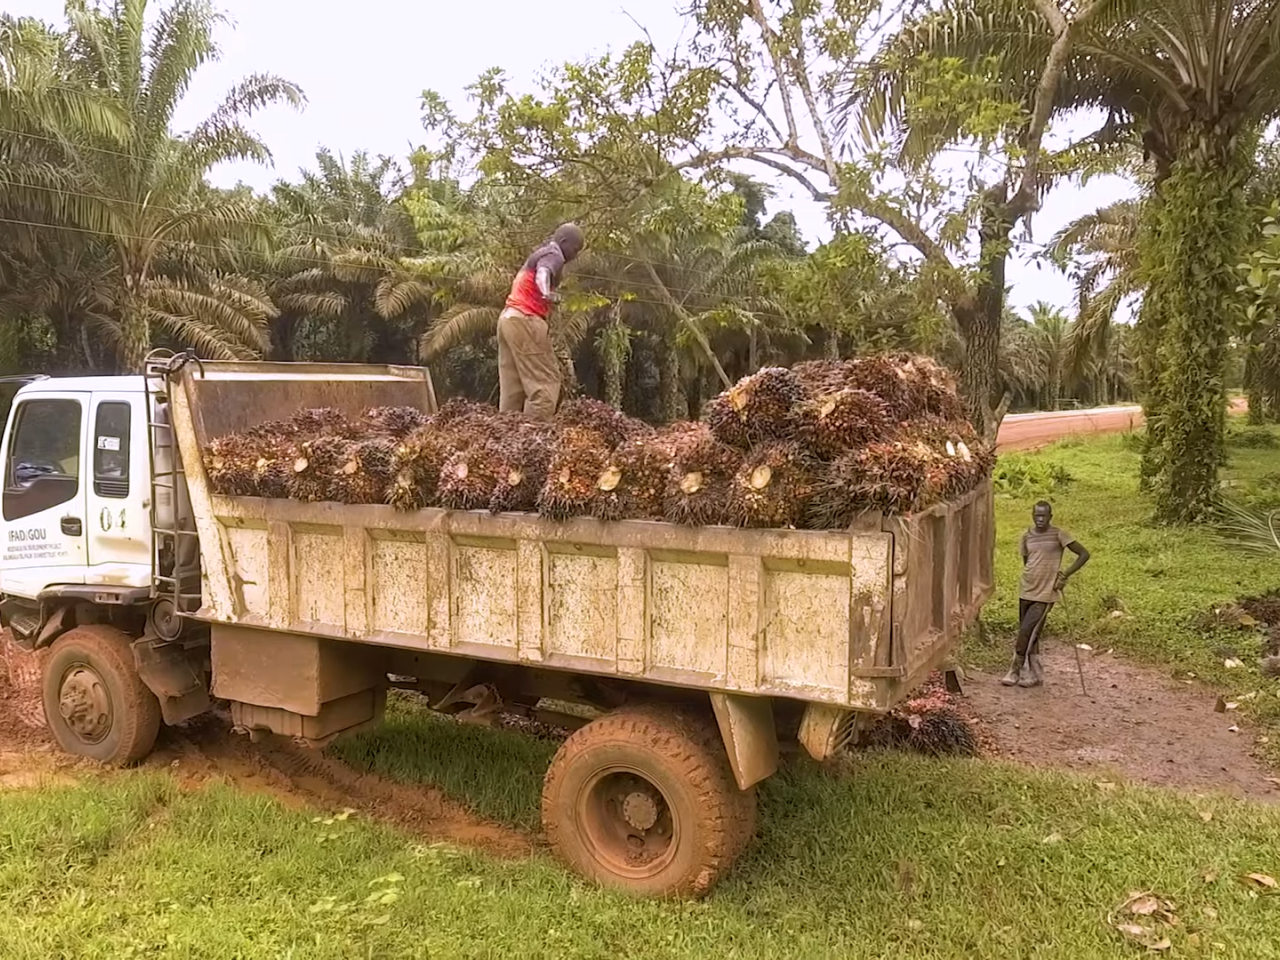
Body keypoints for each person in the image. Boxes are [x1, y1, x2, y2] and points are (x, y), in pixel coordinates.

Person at [497, 223, 585, 420]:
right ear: (563, 242)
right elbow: (543, 273)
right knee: (546, 384)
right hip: (526, 318)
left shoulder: (540, 252)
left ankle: (505, 437)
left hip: (508, 319)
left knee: (514, 389)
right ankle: (531, 438)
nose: (575, 255)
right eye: (575, 248)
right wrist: (546, 293)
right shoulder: (554, 254)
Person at [1003, 501, 1091, 688]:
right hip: (1026, 589)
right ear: (1032, 515)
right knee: (1031, 633)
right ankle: (1036, 674)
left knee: (1026, 630)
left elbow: (1083, 554)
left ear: (1050, 516)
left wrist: (1065, 574)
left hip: (1046, 593)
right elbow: (1027, 562)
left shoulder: (1059, 534)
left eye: (1044, 516)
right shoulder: (1027, 536)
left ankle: (1014, 670)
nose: (1040, 519)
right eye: (1037, 515)